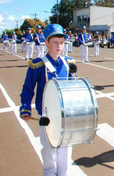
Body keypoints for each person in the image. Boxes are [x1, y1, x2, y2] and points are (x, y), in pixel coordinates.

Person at [19, 24, 76, 176]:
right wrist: (25, 108)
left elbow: (73, 87)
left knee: (65, 147)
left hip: (65, 114)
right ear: (47, 42)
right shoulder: (38, 64)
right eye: (55, 42)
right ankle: (50, 174)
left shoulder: (68, 63)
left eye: (62, 42)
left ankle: (63, 173)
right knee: (49, 149)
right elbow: (28, 88)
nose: (59, 46)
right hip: (46, 115)